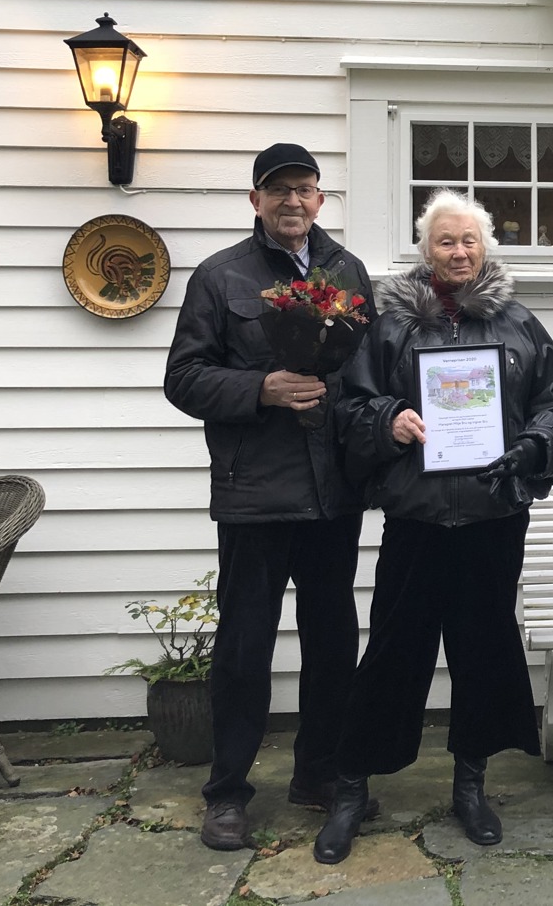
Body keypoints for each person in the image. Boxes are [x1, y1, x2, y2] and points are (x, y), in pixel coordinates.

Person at [313, 189, 553, 864]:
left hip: (492, 517)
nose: (457, 252)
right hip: (417, 516)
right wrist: (388, 421)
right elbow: (349, 408)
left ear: (484, 247)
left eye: (468, 241)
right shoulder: (388, 325)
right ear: (423, 249)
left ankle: (471, 785)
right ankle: (350, 788)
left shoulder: (520, 325)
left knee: (482, 652)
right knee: (391, 656)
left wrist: (529, 448)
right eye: (444, 242)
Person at [163, 143, 379, 852]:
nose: (293, 201)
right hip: (254, 492)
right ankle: (227, 792)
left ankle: (317, 773)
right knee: (244, 647)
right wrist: (260, 389)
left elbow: (367, 372)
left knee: (332, 641)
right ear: (255, 200)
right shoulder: (220, 277)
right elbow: (185, 378)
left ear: (320, 200)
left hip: (331, 492)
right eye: (277, 189)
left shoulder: (345, 272)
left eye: (305, 189)